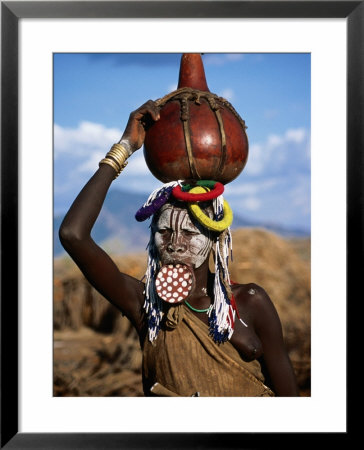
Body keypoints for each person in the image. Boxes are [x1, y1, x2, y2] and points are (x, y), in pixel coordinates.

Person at [59, 100, 299, 397]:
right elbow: (73, 234)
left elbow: (291, 404)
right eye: (163, 231)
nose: (175, 242)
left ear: (215, 238)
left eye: (188, 232)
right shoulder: (147, 308)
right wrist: (124, 148)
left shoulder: (251, 302)